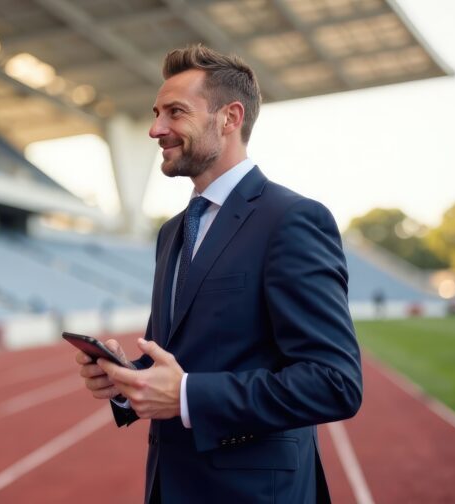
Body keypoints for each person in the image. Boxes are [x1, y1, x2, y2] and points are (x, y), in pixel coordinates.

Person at [74, 45, 362, 504]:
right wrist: (127, 381)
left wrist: (188, 395)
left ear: (229, 118)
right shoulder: (172, 232)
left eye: (175, 112)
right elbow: (178, 359)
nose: (155, 129)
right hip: (170, 488)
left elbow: (334, 383)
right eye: (155, 113)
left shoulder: (291, 219)